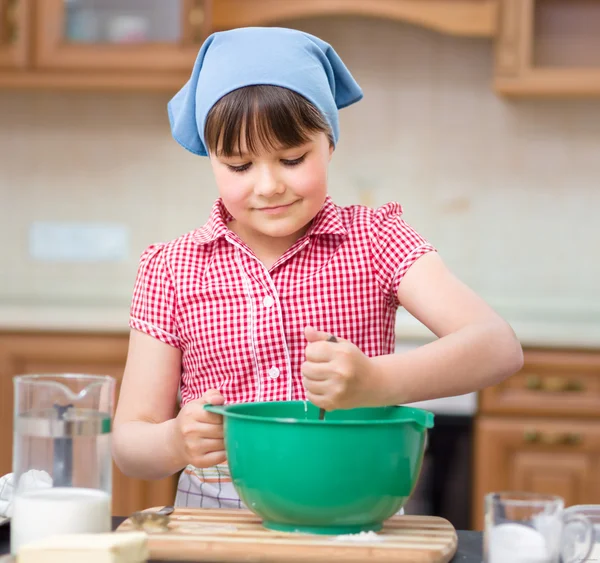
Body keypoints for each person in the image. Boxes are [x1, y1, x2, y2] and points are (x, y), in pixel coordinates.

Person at [112, 27, 523, 509]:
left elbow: (498, 347)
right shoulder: (172, 269)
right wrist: (174, 441)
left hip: (352, 511)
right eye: (239, 166)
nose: (267, 186)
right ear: (212, 161)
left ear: (329, 142)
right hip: (216, 523)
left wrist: (376, 382)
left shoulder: (376, 240)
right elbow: (128, 443)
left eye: (291, 158)